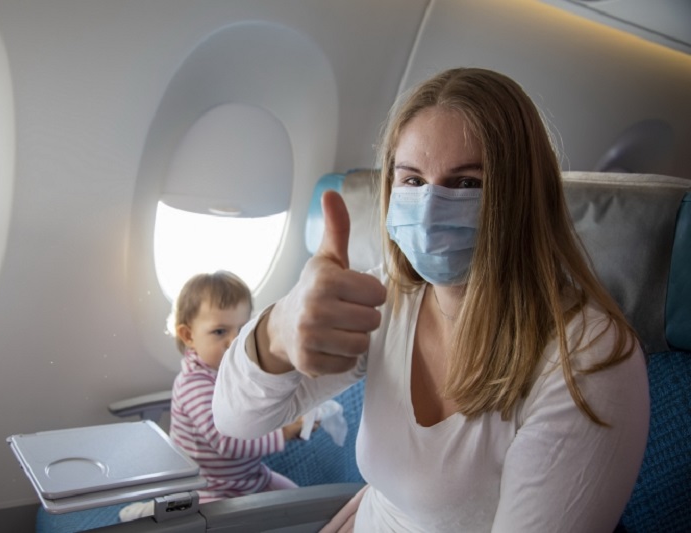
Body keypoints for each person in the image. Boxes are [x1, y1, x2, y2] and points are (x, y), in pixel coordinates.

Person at [212, 67, 650, 532]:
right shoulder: (386, 299)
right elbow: (235, 419)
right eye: (413, 181)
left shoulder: (587, 359)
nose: (430, 210)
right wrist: (278, 333)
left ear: (522, 197)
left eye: (466, 183)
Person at [119, 271, 304, 522]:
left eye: (243, 329)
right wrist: (281, 433)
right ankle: (148, 511)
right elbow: (227, 441)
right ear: (188, 336)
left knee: (299, 503)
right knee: (207, 523)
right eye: (219, 332)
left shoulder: (237, 370)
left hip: (251, 476)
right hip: (206, 486)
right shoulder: (194, 384)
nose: (234, 341)